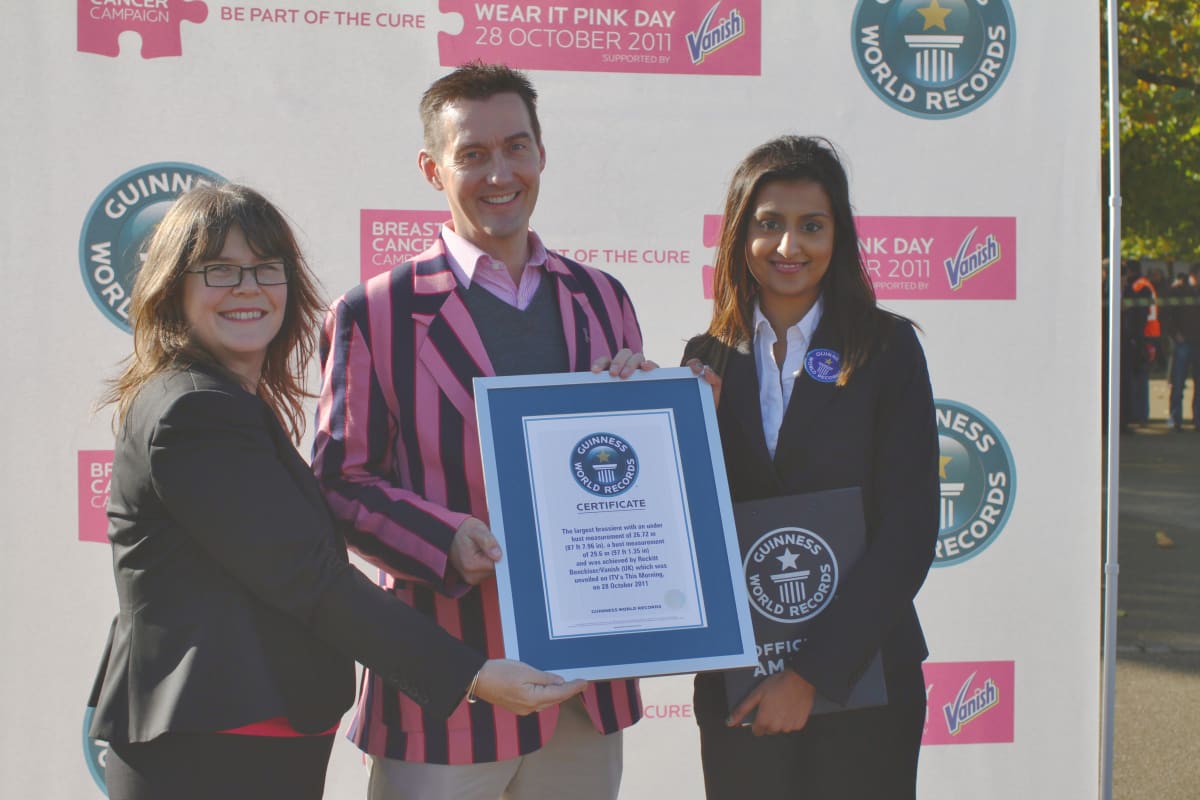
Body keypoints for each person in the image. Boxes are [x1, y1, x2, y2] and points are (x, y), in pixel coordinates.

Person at [88, 183, 587, 800]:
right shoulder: (194, 410)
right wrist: (474, 675)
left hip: (247, 735)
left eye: (266, 269)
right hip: (215, 745)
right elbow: (309, 579)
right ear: (173, 286)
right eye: (220, 270)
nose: (248, 288)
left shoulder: (223, 399)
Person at [312, 63, 649, 800]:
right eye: (472, 155)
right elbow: (339, 483)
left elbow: (631, 478)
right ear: (434, 170)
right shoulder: (373, 313)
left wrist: (653, 412)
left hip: (583, 693)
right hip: (447, 689)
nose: (500, 173)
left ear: (541, 156)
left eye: (516, 147)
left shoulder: (602, 298)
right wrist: (443, 539)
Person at [681, 136, 939, 799]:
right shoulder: (702, 358)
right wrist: (677, 431)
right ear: (740, 234)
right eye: (769, 224)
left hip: (865, 678)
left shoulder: (887, 350)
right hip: (740, 684)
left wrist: (810, 676)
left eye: (811, 226)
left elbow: (908, 531)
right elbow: (688, 526)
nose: (789, 246)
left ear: (838, 235)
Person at [1165, 264, 1200, 431]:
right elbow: (1168, 313)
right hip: (1183, 342)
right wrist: (1175, 334)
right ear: (1193, 275)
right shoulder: (1179, 291)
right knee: (1178, 383)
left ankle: (1197, 419)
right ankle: (1175, 418)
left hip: (1196, 342)